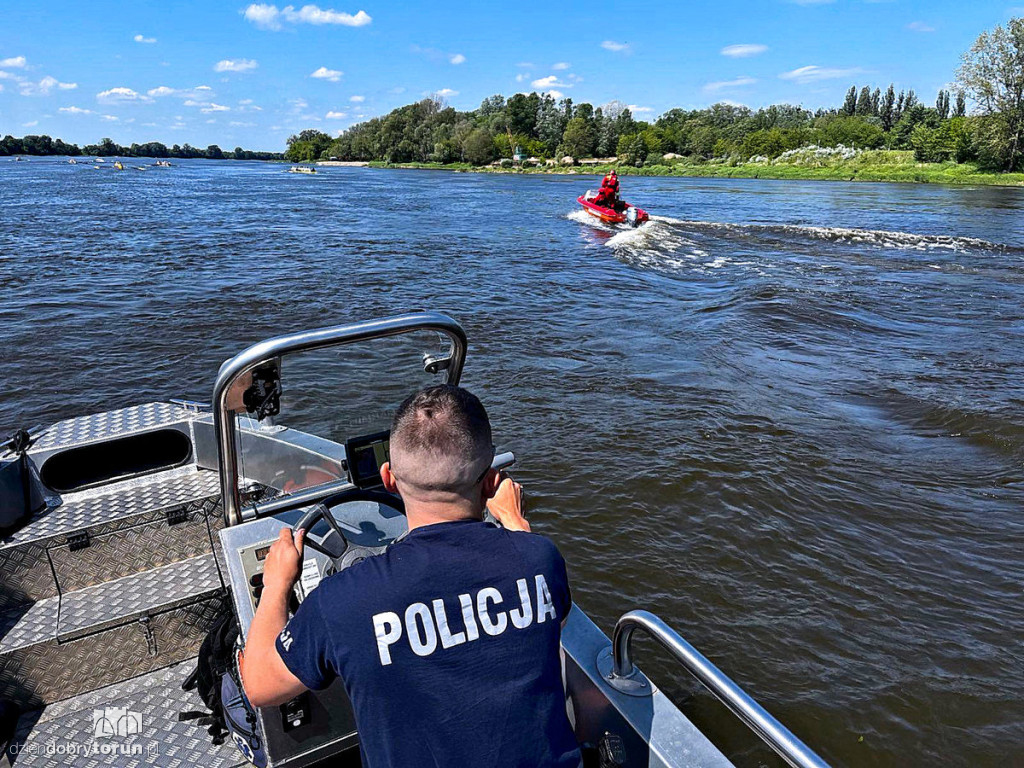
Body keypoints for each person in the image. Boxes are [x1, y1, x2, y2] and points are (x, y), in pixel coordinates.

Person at [240, 385, 581, 768]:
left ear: (388, 478)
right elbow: (554, 616)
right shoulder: (540, 558)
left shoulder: (343, 601)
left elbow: (259, 685)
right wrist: (515, 522)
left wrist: (276, 584)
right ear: (491, 483)